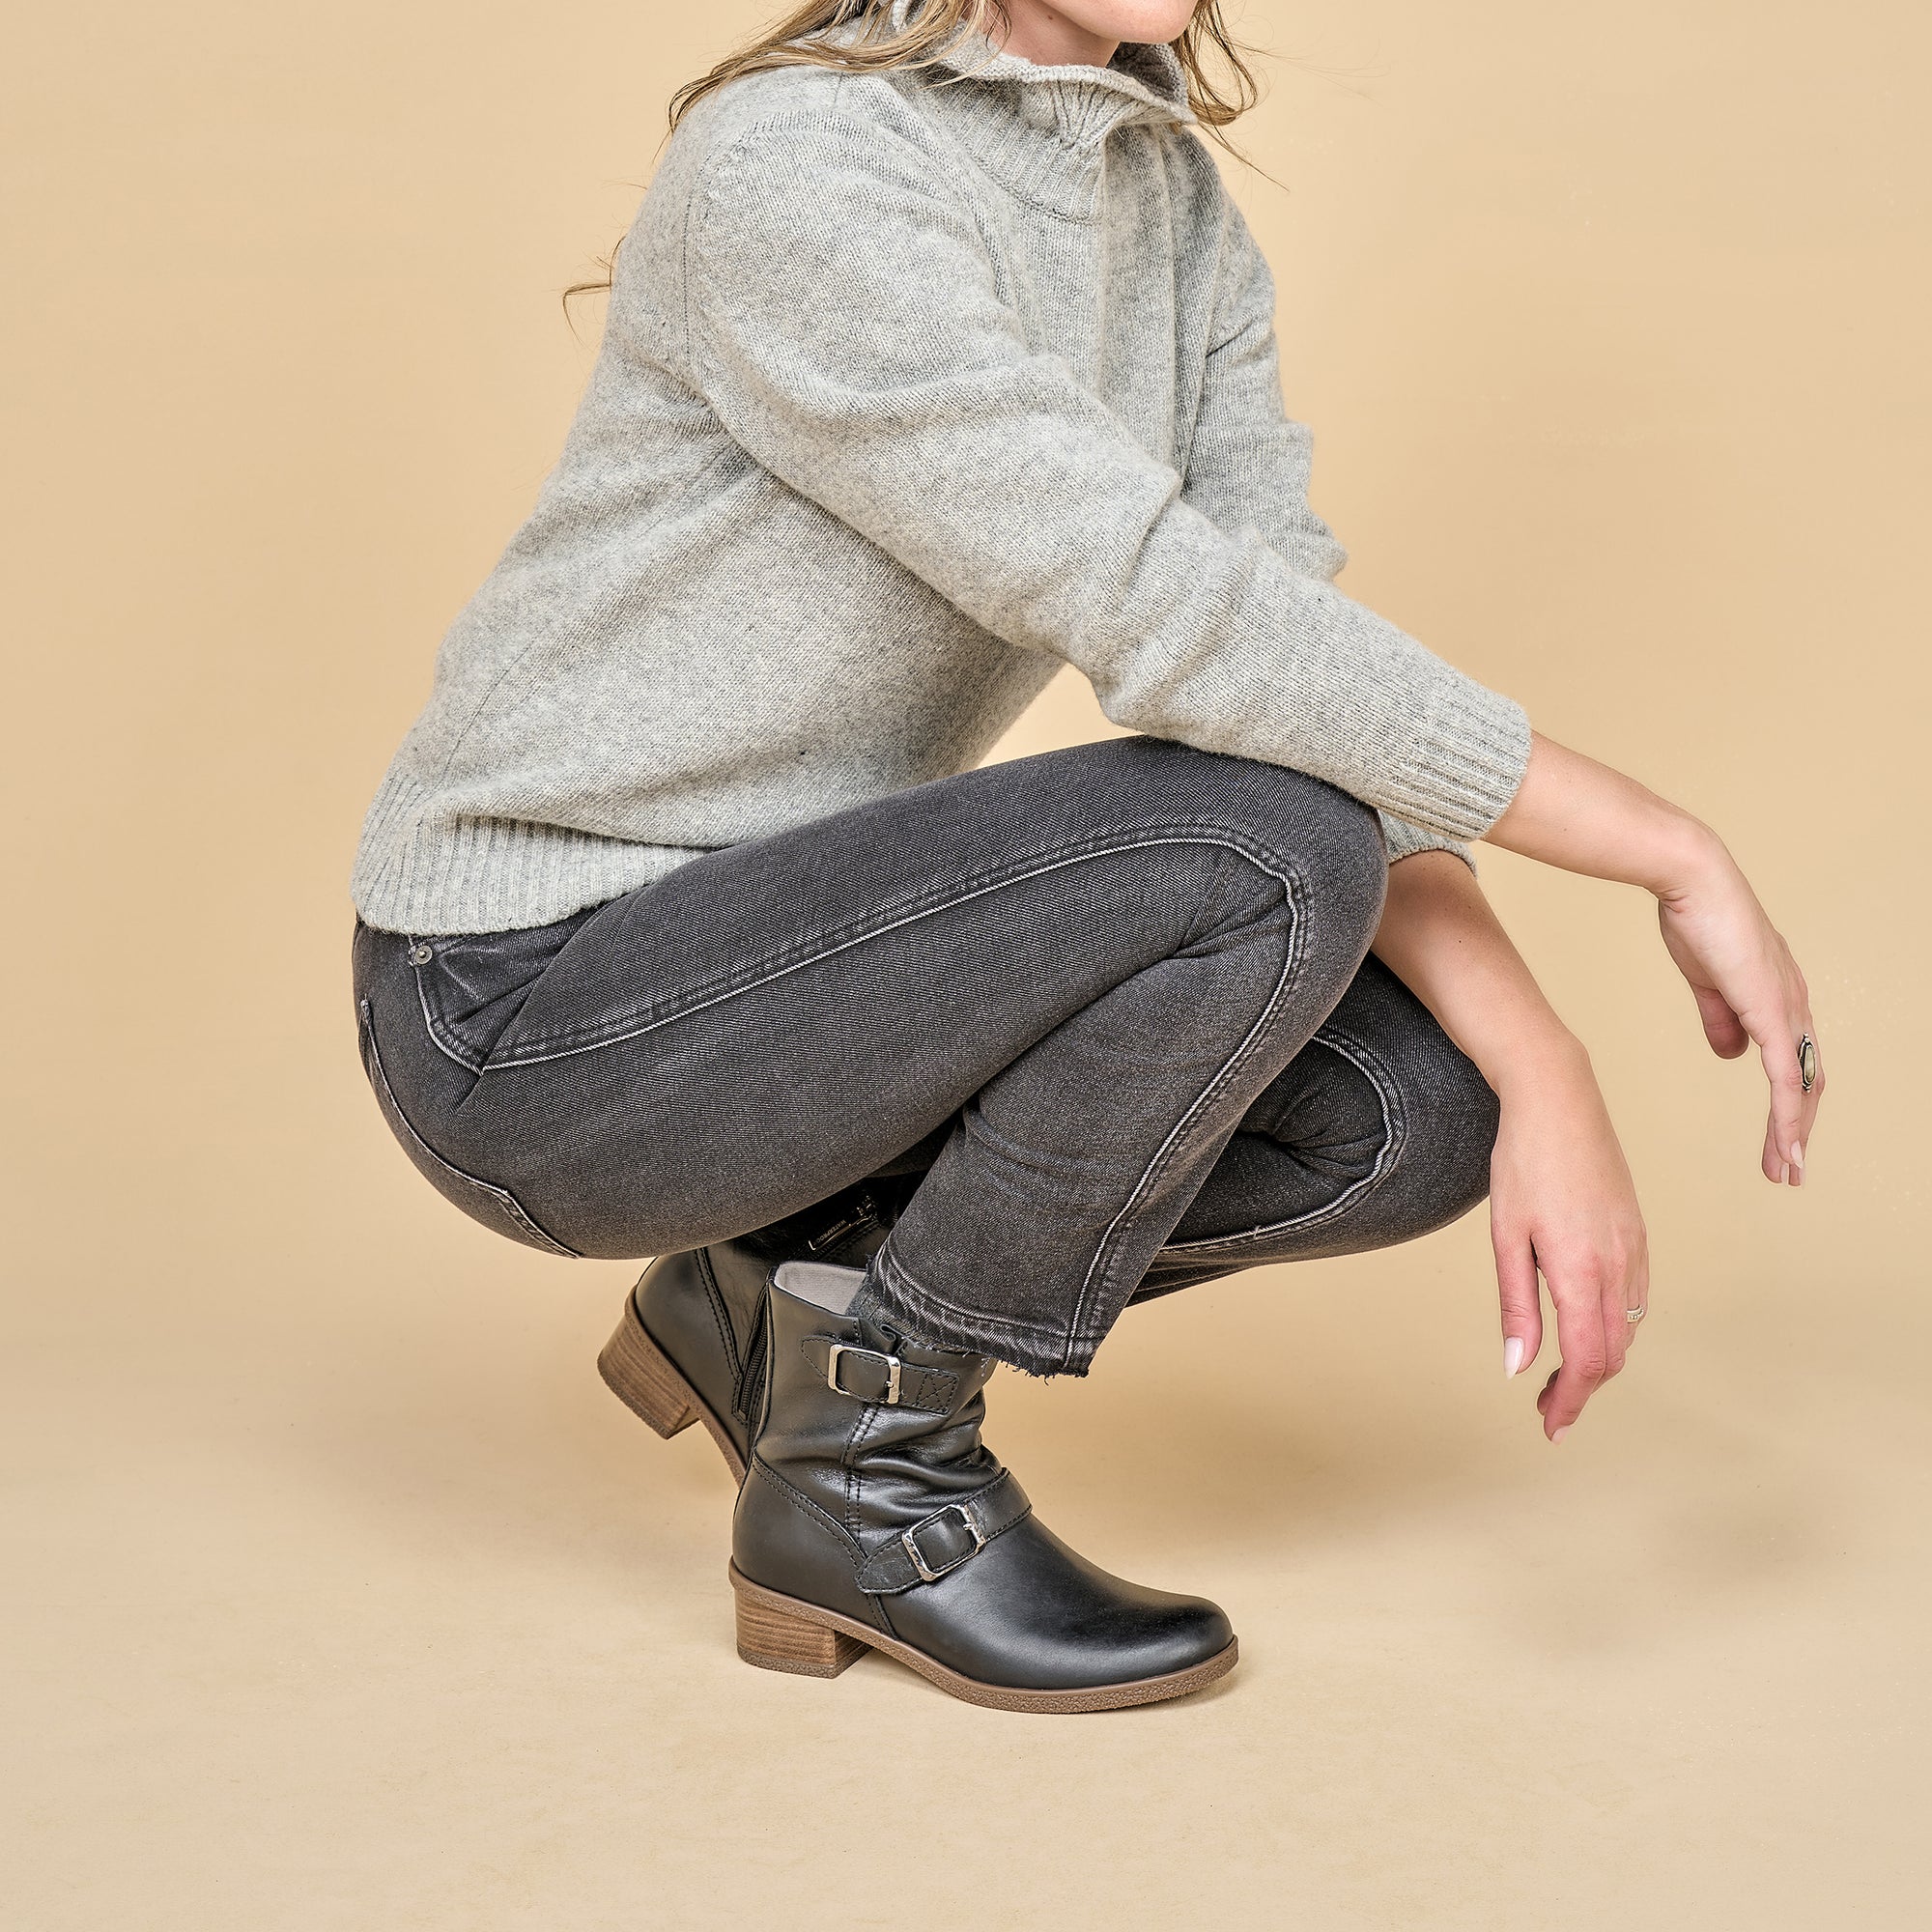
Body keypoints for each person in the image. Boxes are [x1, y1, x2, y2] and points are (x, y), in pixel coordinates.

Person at [348, 0, 1821, 1715]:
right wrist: (1663, 848)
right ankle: (869, 1483)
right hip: (536, 1013)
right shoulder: (801, 164)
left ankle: (779, 1302)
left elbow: (1292, 655)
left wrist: (1543, 1060)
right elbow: (1170, 618)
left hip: (807, 998)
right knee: (1259, 848)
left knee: (1420, 1103)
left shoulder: (1171, 206)